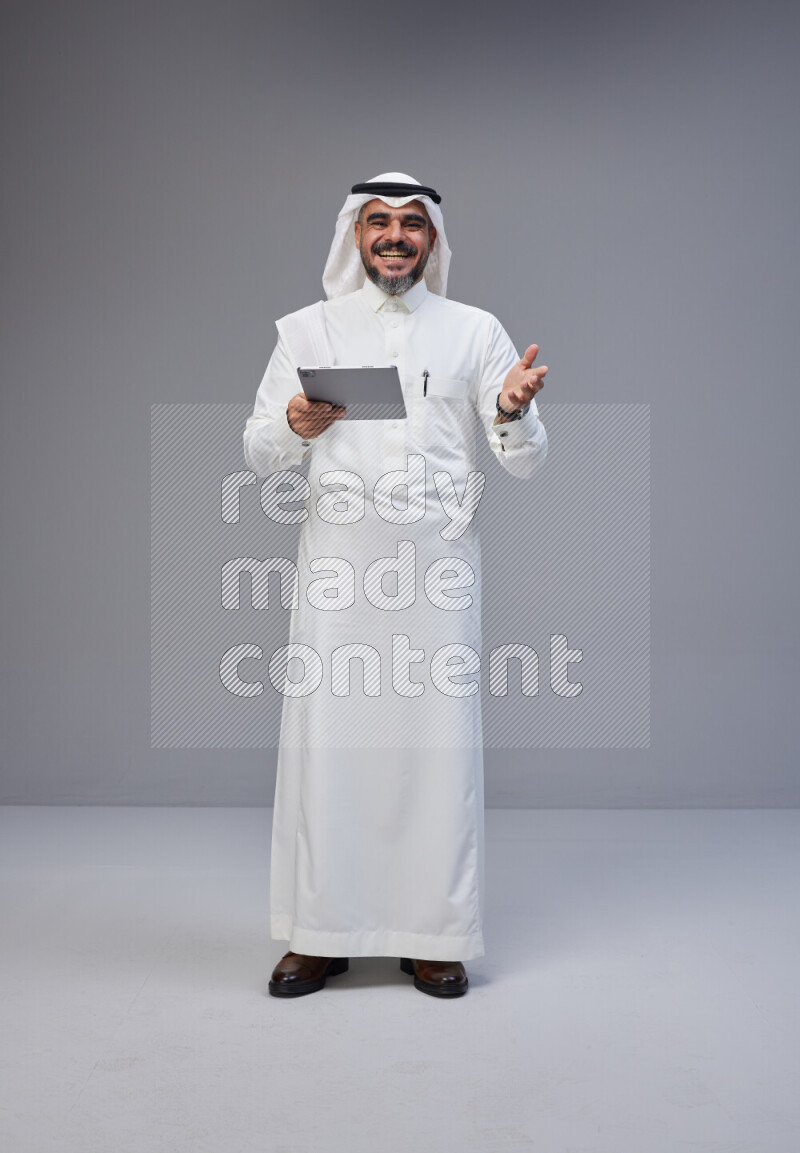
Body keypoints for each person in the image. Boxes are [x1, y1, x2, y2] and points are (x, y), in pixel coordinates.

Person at [243, 172, 548, 998]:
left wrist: (514, 409)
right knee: (329, 747)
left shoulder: (473, 332)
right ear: (354, 235)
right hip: (339, 575)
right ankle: (319, 932)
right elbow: (259, 448)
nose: (394, 236)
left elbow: (523, 458)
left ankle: (433, 933)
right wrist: (293, 426)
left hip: (436, 576)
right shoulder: (308, 329)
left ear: (433, 240)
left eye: (412, 224)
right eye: (377, 222)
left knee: (434, 747)